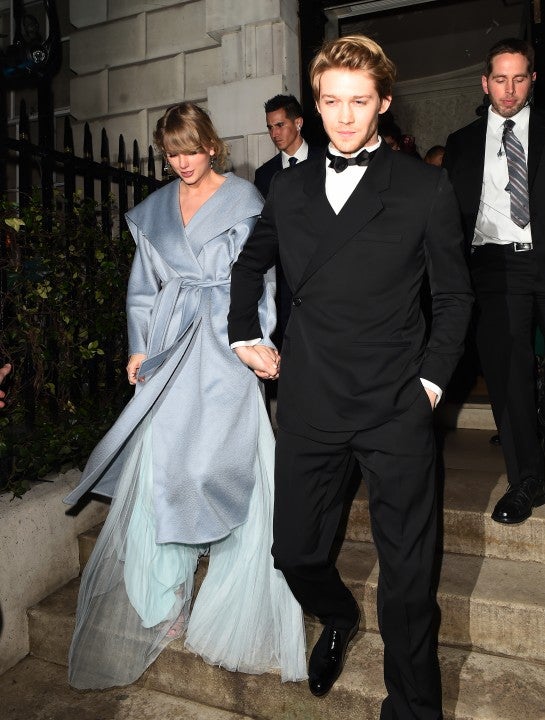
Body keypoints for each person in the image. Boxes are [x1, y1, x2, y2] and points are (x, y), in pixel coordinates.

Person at [228, 35, 473, 719]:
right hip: (311, 399)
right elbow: (250, 266)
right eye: (330, 101)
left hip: (395, 402)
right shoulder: (289, 186)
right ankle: (335, 615)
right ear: (315, 105)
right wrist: (243, 331)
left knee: (407, 577)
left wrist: (427, 385)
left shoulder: (423, 186)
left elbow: (454, 298)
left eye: (358, 102)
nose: (343, 116)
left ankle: (413, 707)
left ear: (383, 104)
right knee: (294, 552)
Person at [63, 102, 306, 689]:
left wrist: (255, 338)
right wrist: (140, 346)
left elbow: (264, 276)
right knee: (165, 471)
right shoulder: (154, 212)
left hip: (227, 341)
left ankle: (233, 605)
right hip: (173, 343)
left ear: (212, 145)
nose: (181, 164)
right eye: (171, 155)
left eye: (190, 151)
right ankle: (165, 600)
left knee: (225, 467)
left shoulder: (246, 200)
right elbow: (144, 288)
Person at [443, 38, 545, 524]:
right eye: (499, 79)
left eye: (519, 78)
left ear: (532, 80)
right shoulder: (462, 143)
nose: (509, 90)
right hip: (494, 267)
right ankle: (527, 480)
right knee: (509, 379)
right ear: (484, 83)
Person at [254, 94, 322, 345]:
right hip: (283, 280)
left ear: (299, 123)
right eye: (270, 127)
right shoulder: (264, 174)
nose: (274, 133)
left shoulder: (328, 160)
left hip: (324, 273)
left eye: (280, 125)